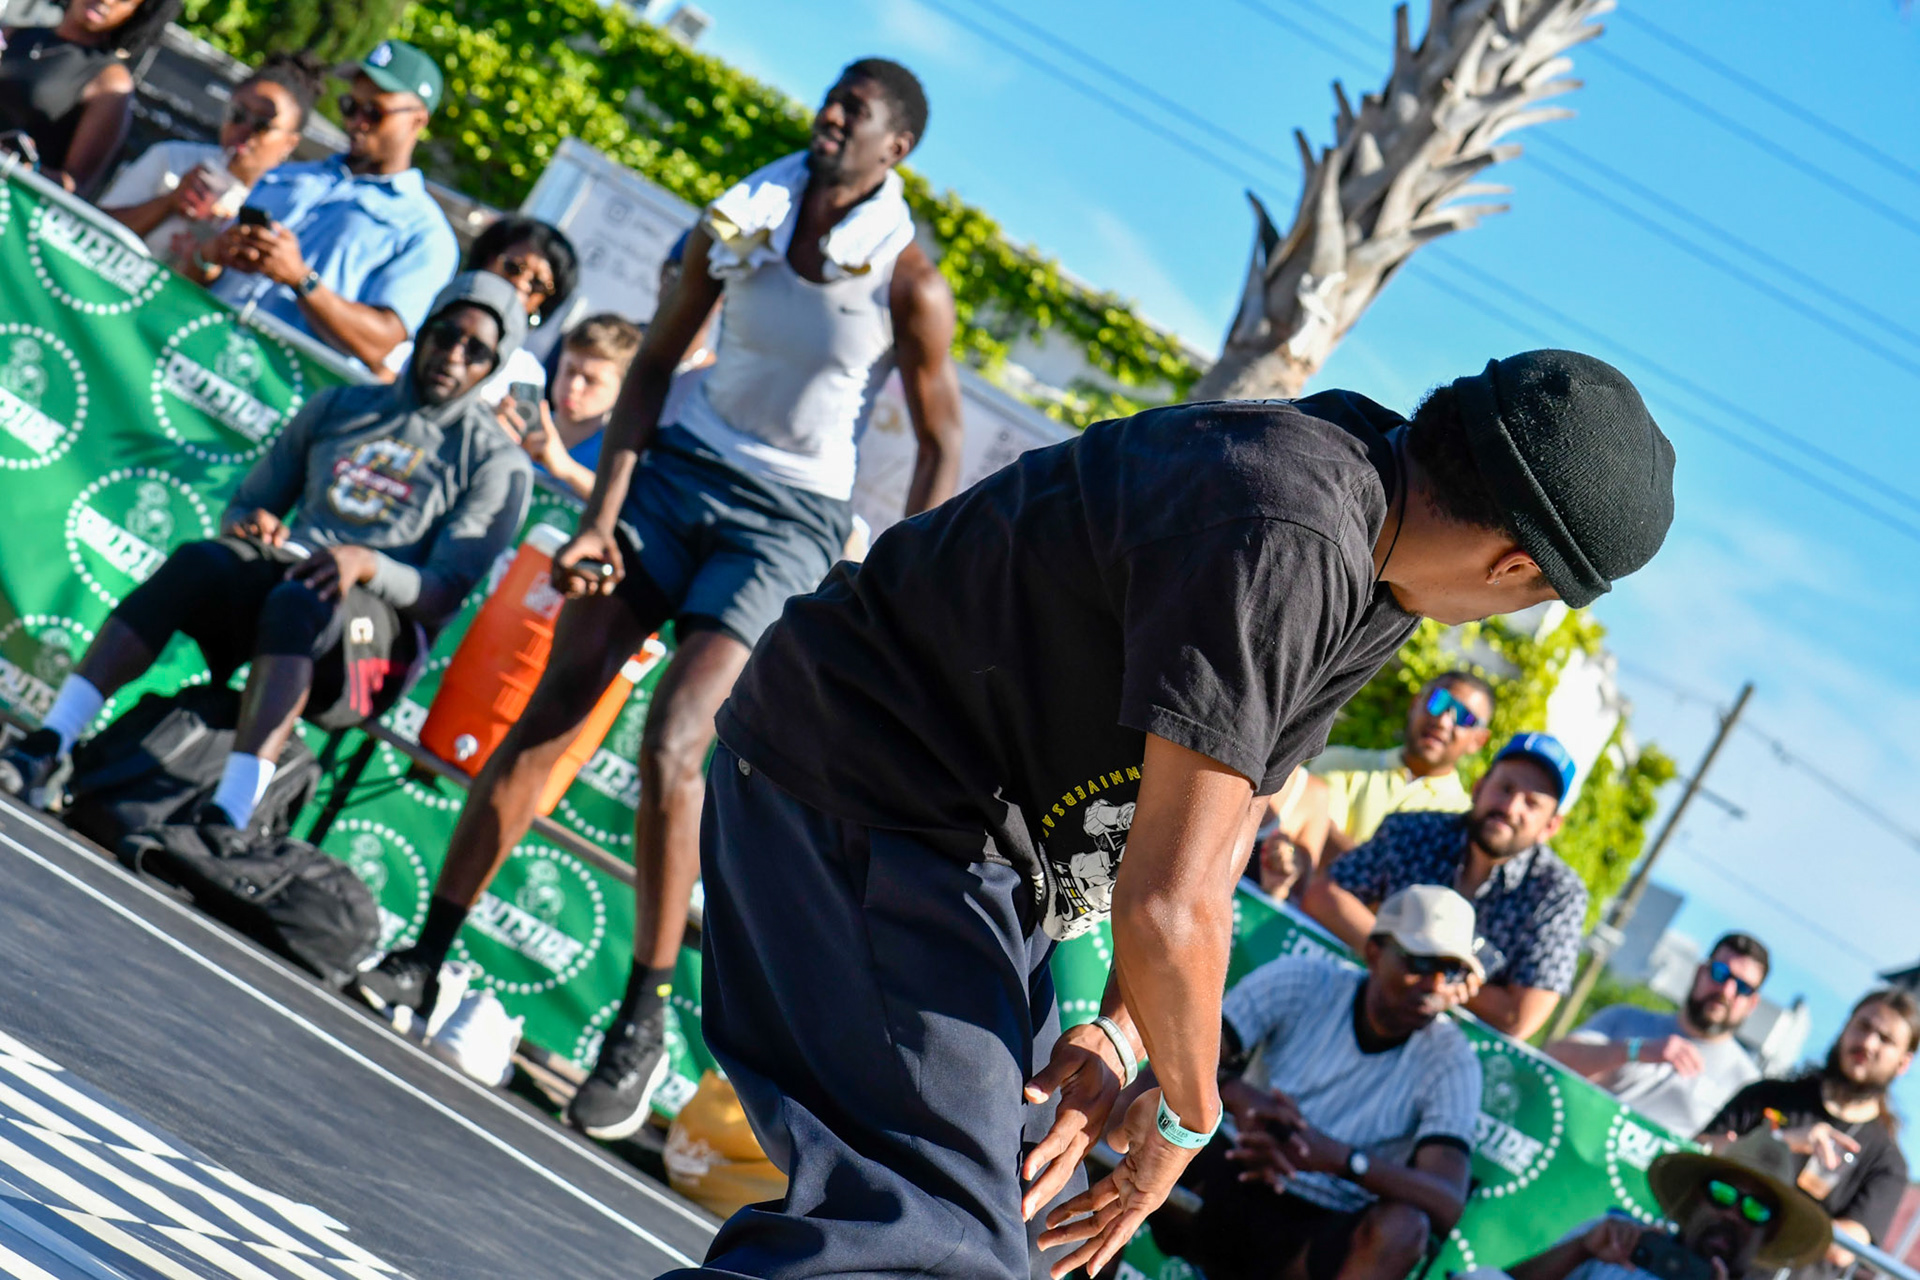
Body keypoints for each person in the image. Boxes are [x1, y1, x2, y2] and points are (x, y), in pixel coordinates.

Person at [649, 345, 1674, 1280]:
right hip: (868, 785)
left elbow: (1227, 824)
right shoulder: (1293, 528)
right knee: (933, 1244)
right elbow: (1167, 903)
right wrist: (1190, 1111)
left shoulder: (1379, 558)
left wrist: (1123, 1035)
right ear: (1516, 569)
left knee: (1001, 1209)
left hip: (971, 845)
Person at [355, 57, 966, 1141]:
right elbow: (652, 364)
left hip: (789, 520)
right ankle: (425, 955)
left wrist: (907, 590)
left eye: (856, 111)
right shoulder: (744, 218)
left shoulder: (909, 282)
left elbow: (941, 444)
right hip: (678, 476)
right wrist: (601, 516)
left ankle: (637, 1025)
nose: (830, 116)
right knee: (555, 703)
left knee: (679, 744)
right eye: (830, 98)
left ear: (897, 148)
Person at [0, 273, 533, 831]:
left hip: (376, 642)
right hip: (294, 578)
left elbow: (444, 591)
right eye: (445, 335)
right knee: (199, 562)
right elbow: (248, 504)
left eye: (476, 350)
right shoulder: (343, 406)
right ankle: (49, 743)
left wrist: (365, 564)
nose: (453, 355)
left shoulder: (493, 461)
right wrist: (250, 525)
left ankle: (227, 818)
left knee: (300, 600)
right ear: (423, 333)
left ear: (494, 366)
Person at [1148, 885, 1482, 1280]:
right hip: (1234, 1161)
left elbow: (1447, 1201)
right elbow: (1176, 1059)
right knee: (1142, 1097)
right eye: (1421, 963)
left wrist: (1342, 1160)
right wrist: (1239, 1099)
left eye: (1452, 972)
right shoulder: (1302, 980)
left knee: (1404, 1229)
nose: (1436, 985)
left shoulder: (1452, 1059)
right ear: (1374, 951)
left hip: (1326, 1222)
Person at [184, 40, 458, 372]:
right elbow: (198, 272)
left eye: (375, 112)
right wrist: (214, 252)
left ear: (417, 121)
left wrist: (301, 280)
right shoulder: (285, 175)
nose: (356, 121)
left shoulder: (426, 233)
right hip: (198, 352)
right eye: (350, 106)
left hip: (278, 388)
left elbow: (379, 345)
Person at [1302, 733, 1587, 1040]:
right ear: (1478, 787)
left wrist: (1422, 973)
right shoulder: (1414, 830)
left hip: (1446, 1050)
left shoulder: (1559, 894)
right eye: (1505, 788)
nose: (1510, 807)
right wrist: (1395, 959)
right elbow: (1324, 896)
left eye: (1532, 803)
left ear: (1551, 826)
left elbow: (1520, 1017)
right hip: (1350, 1015)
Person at [1702, 988, 1917, 1278]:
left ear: (1903, 1062)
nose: (1867, 1043)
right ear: (1845, 1027)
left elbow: (1844, 1248)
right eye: (1863, 1026)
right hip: (1698, 1262)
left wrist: (1770, 1212)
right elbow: (1696, 1150)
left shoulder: (1887, 1163)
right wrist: (1780, 1142)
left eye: (1885, 1039)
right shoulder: (1769, 1095)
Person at [1490, 1129, 1831, 1280]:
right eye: (1723, 1193)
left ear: (1770, 1231)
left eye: (1756, 1209)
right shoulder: (1614, 1243)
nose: (1732, 1213)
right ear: (1697, 1195)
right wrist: (1581, 1250)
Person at [99, 52, 322, 261]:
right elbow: (96, 227)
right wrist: (169, 202)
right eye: (238, 114)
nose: (245, 128)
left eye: (262, 125)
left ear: (290, 143)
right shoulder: (172, 158)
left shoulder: (282, 208)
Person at [1544, 934, 1767, 1138]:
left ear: (1753, 1003)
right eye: (1720, 973)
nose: (1726, 991)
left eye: (1743, 987)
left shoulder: (1749, 1085)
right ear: (1700, 972)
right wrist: (1635, 1050)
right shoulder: (1625, 1018)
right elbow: (1551, 1060)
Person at [383, 215, 578, 404]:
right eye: (513, 267)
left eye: (537, 284)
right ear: (487, 260)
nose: (520, 284)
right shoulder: (424, 321)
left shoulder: (526, 374)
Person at [0, 0, 180, 193]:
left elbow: (75, 185)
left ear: (138, 13)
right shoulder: (14, 33)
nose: (107, 0)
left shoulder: (111, 82)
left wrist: (23, 167)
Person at [1309, 671, 1495, 856]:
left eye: (1464, 716)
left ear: (1478, 740)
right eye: (1438, 701)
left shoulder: (1462, 818)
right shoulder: (1339, 763)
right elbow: (1312, 832)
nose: (1443, 721)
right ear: (1415, 704)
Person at [507, 313, 642, 499]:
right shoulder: (522, 426)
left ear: (622, 390)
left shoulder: (617, 456)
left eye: (591, 380)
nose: (573, 386)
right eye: (569, 371)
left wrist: (568, 470)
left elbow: (620, 505)